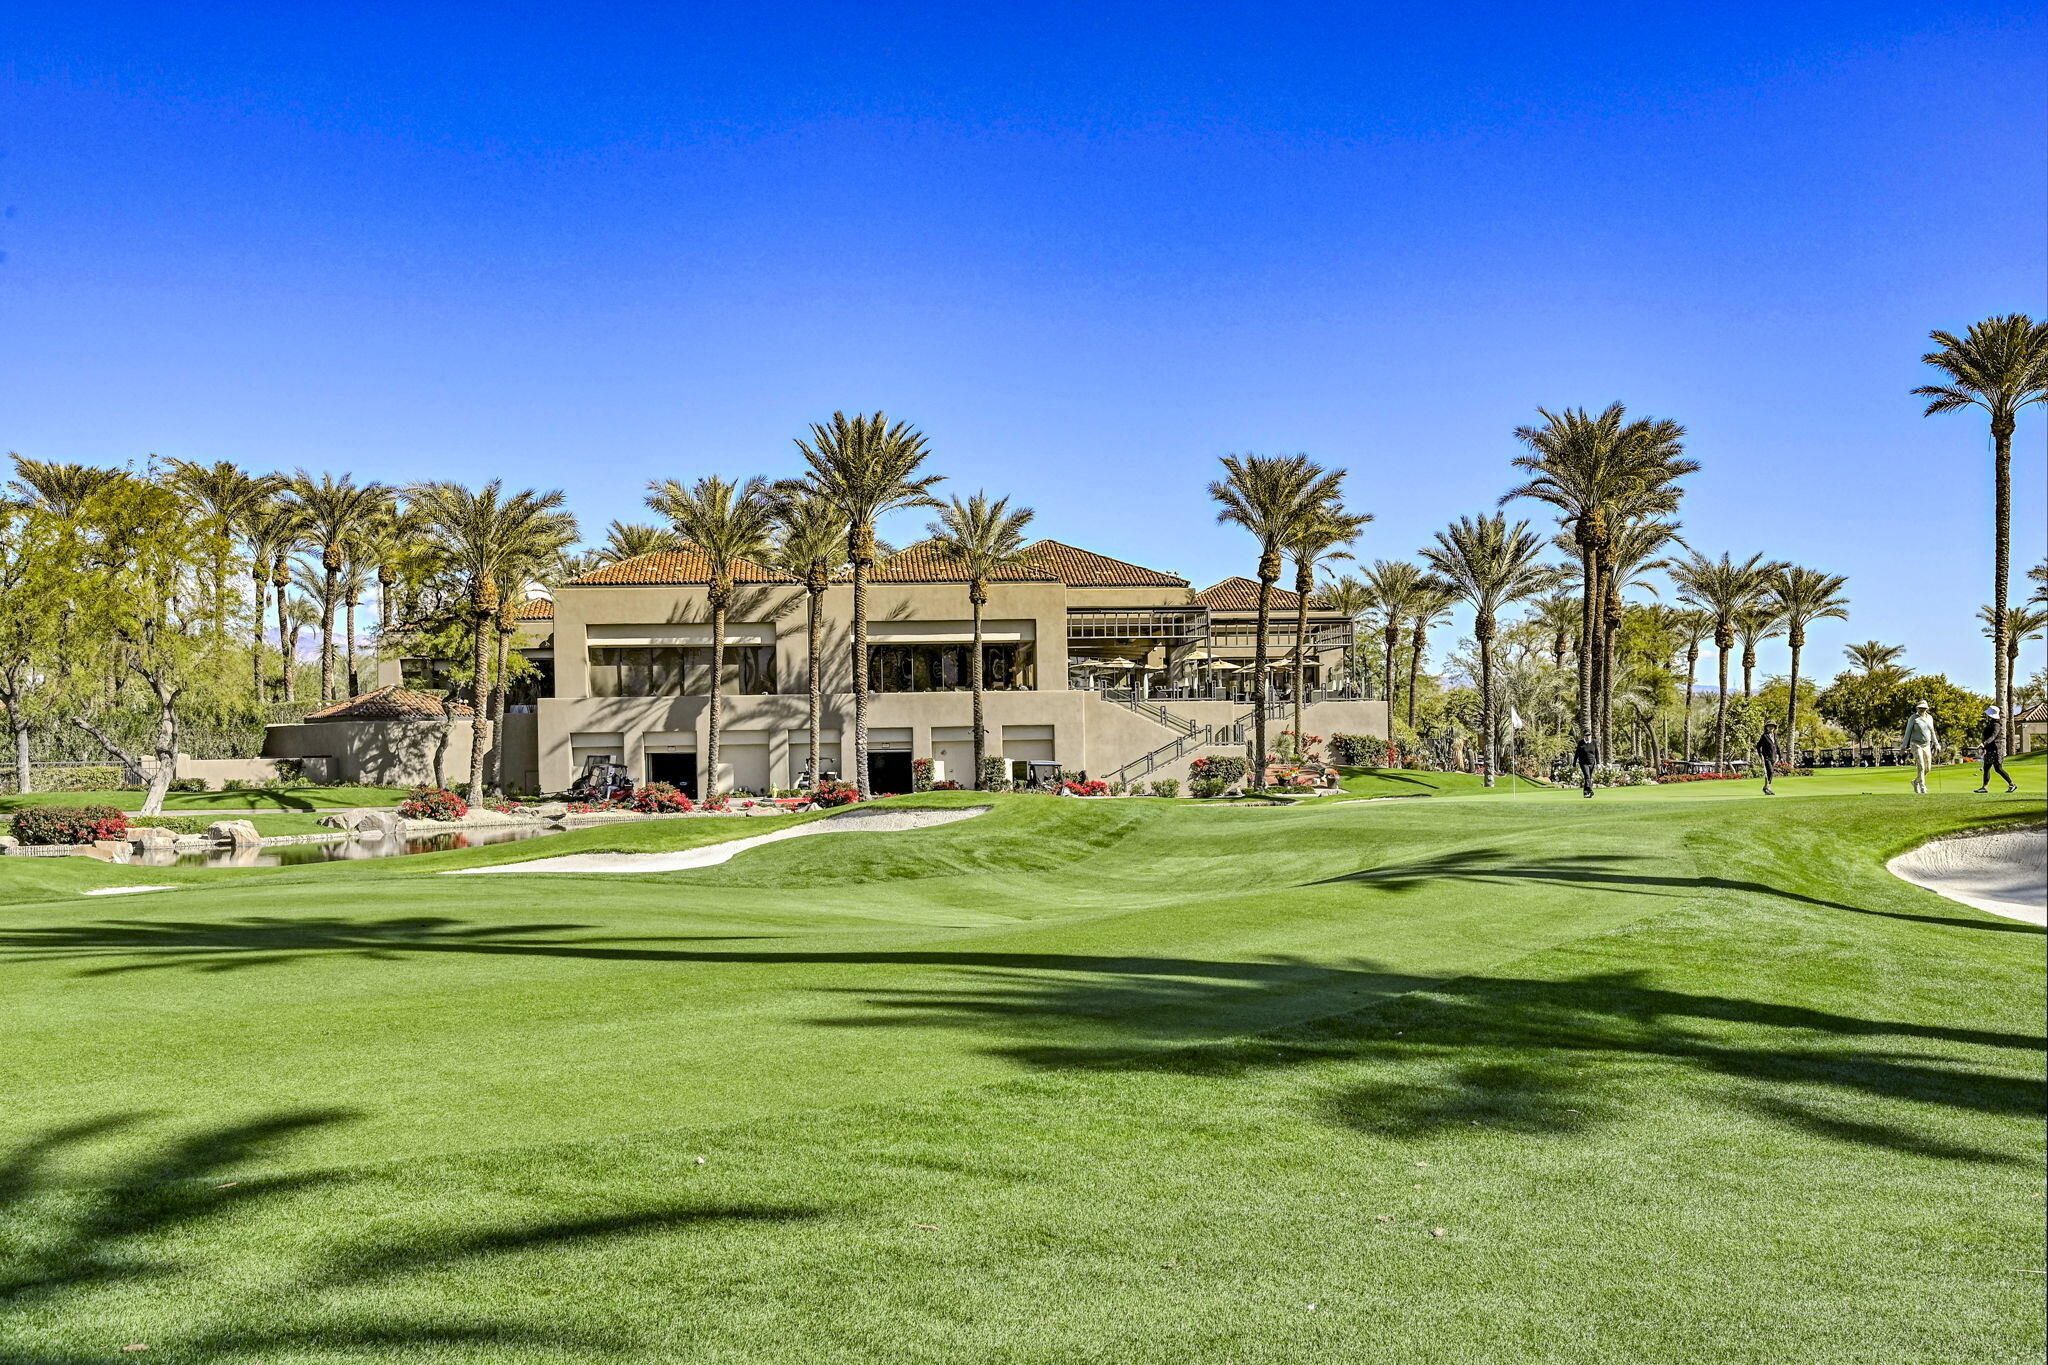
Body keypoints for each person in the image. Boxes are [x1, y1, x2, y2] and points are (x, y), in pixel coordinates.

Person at [1975, 705, 2017, 794]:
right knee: (1986, 768)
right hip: (1990, 750)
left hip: (1996, 750)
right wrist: (1984, 746)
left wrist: (1984, 743)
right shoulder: (1990, 723)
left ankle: (2012, 784)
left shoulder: (1996, 724)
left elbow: (1993, 736)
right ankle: (1984, 787)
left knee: (1998, 769)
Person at [1902, 700, 1939, 794]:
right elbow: (1907, 733)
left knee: (1928, 768)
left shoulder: (1930, 718)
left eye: (1924, 708)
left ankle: (1915, 782)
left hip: (1926, 745)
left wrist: (1936, 743)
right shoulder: (1913, 718)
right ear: (1917, 708)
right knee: (1921, 766)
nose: (1922, 710)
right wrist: (1903, 746)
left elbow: (1932, 732)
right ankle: (1923, 787)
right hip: (1915, 744)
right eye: (1920, 708)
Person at [1756, 722, 1781, 795]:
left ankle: (1766, 787)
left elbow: (1777, 747)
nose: (1771, 728)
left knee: (1770, 772)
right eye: (1769, 726)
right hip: (1766, 757)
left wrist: (1780, 756)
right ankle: (1767, 786)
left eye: (1772, 726)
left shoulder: (1775, 736)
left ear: (1774, 728)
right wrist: (1760, 755)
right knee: (1770, 771)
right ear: (1766, 728)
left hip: (1773, 757)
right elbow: (1758, 746)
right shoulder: (1764, 736)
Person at [1574, 733, 1598, 798]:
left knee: (1588, 778)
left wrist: (1598, 763)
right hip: (1583, 763)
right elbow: (1577, 753)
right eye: (1586, 736)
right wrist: (1574, 762)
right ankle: (1590, 790)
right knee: (1587, 776)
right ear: (1584, 736)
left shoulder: (1594, 742)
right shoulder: (1581, 743)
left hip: (1592, 762)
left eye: (1589, 735)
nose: (1587, 737)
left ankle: (1586, 793)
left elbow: (1596, 753)